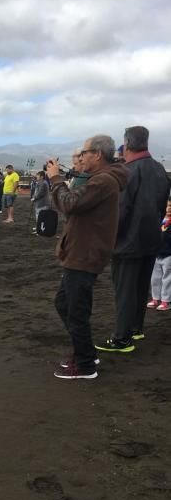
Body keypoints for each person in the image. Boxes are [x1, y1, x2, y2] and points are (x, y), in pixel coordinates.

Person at [46, 134, 129, 380]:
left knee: (76, 310)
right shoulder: (103, 180)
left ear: (98, 154)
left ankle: (85, 366)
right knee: (65, 304)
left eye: (84, 153)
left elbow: (70, 203)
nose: (81, 157)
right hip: (83, 252)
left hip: (85, 253)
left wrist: (56, 179)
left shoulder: (103, 181)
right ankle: (87, 353)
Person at [96, 126, 171, 353]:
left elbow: (121, 209)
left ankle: (121, 338)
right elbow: (159, 207)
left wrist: (107, 238)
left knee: (125, 290)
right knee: (139, 288)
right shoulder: (160, 170)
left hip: (128, 242)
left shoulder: (127, 171)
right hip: (152, 239)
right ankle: (135, 328)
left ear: (127, 144)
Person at [147, 201, 171, 311]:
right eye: (167, 206)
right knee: (155, 278)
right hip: (156, 253)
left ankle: (166, 300)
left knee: (167, 278)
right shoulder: (159, 219)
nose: (169, 208)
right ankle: (155, 298)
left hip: (168, 254)